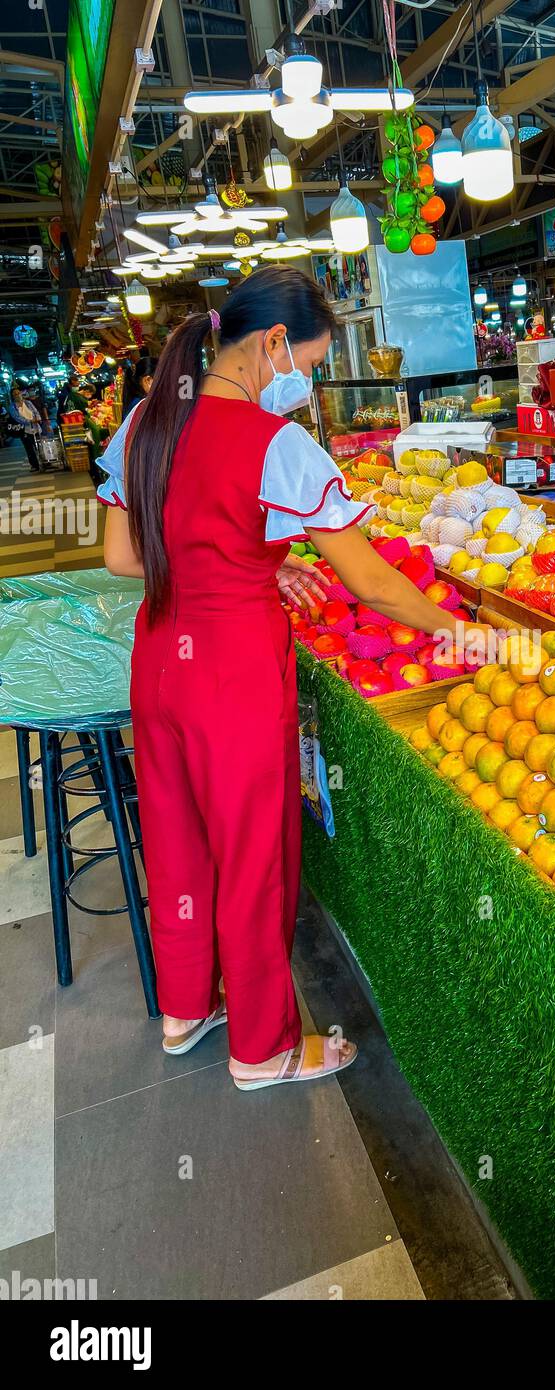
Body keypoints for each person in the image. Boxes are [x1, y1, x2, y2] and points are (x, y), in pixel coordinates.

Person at [99, 265, 487, 1091]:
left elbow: (124, 555)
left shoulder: (143, 421)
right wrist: (460, 632)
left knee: (175, 837)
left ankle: (184, 1012)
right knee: (252, 853)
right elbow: (373, 582)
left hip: (160, 659)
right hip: (234, 673)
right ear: (272, 345)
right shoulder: (278, 446)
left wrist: (246, 567)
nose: (305, 382)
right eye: (307, 363)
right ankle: (264, 1046)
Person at [6, 384, 43, 472]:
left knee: (40, 446)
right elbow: (17, 418)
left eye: (18, 393)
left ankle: (45, 461)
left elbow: (35, 411)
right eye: (15, 394)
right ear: (12, 396)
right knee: (29, 448)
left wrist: (38, 418)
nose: (17, 395)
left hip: (36, 427)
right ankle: (34, 465)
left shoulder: (28, 402)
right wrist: (29, 421)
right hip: (24, 430)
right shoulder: (12, 407)